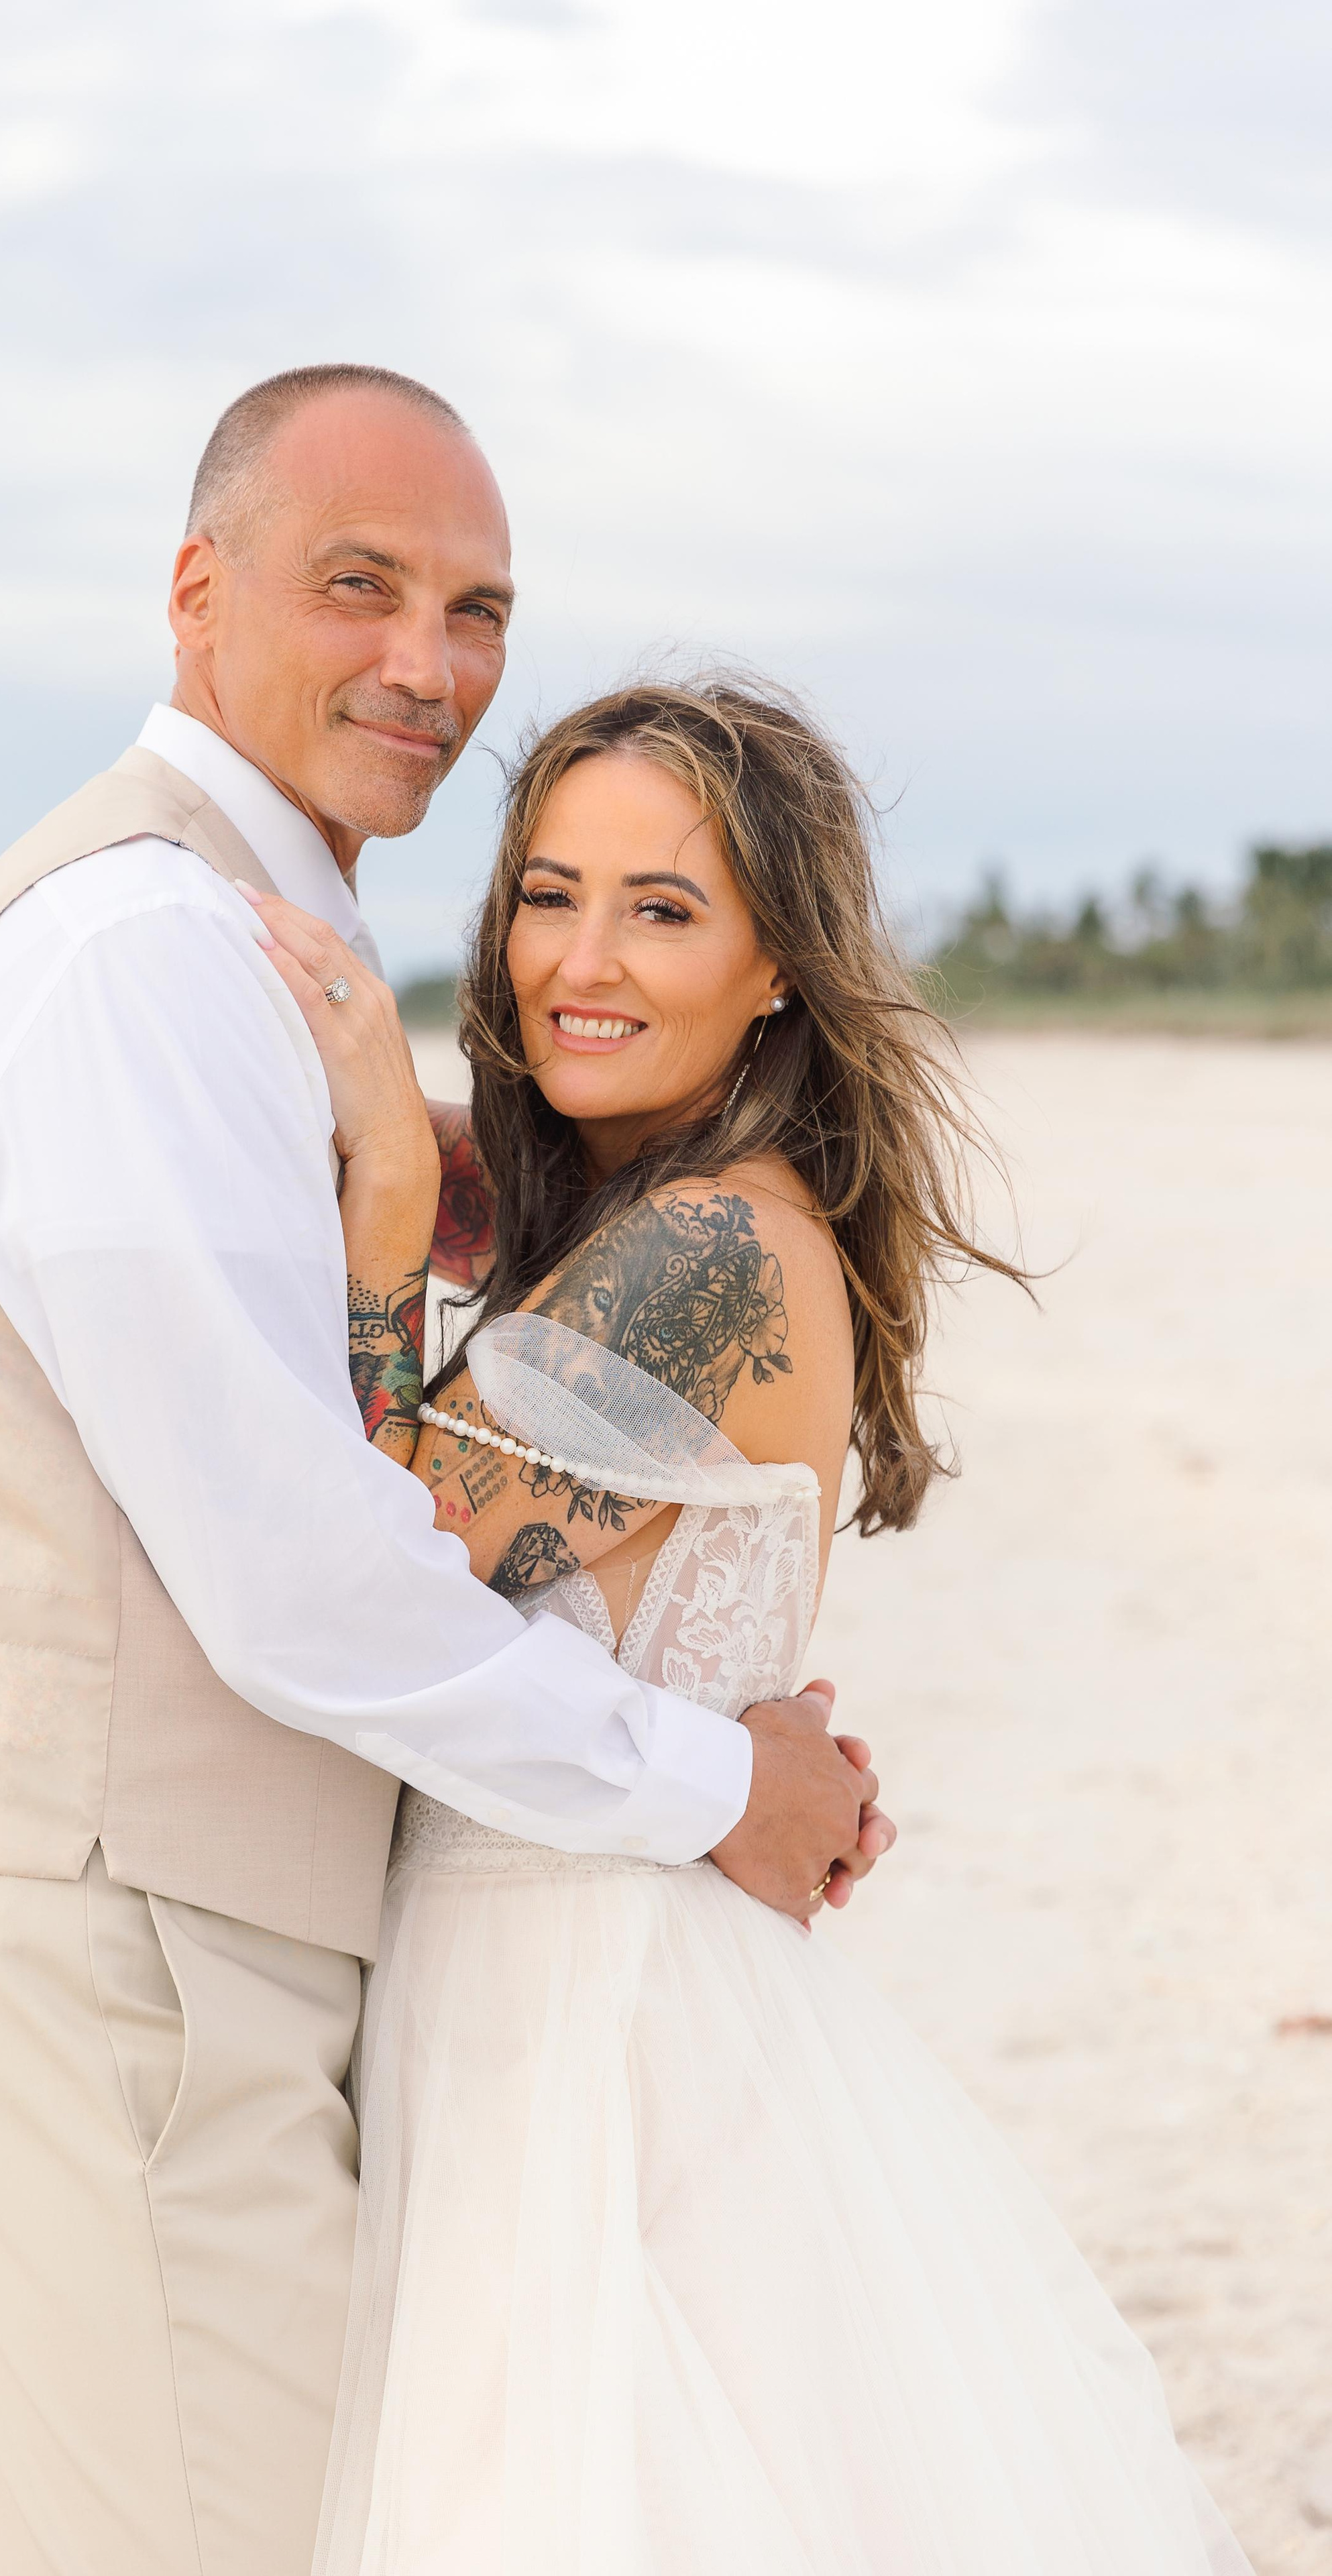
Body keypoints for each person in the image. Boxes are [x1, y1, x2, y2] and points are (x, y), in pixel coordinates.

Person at [0, 369, 891, 2575]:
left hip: (351, 1975)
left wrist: (399, 1229)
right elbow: (309, 1575)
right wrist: (721, 1783)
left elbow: (375, 1518)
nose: (428, 660)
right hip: (131, 1954)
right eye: (361, 587)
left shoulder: (261, 971)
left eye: (477, 607)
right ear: (200, 594)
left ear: (778, 964)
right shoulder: (149, 951)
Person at [248, 676, 1254, 2575]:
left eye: (662, 907)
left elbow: (383, 1558)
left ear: (777, 961)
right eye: (549, 893)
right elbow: (478, 1192)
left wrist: (387, 1178)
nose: (580, 959)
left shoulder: (707, 1251)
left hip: (587, 2004)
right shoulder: (653, 1205)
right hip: (606, 1951)